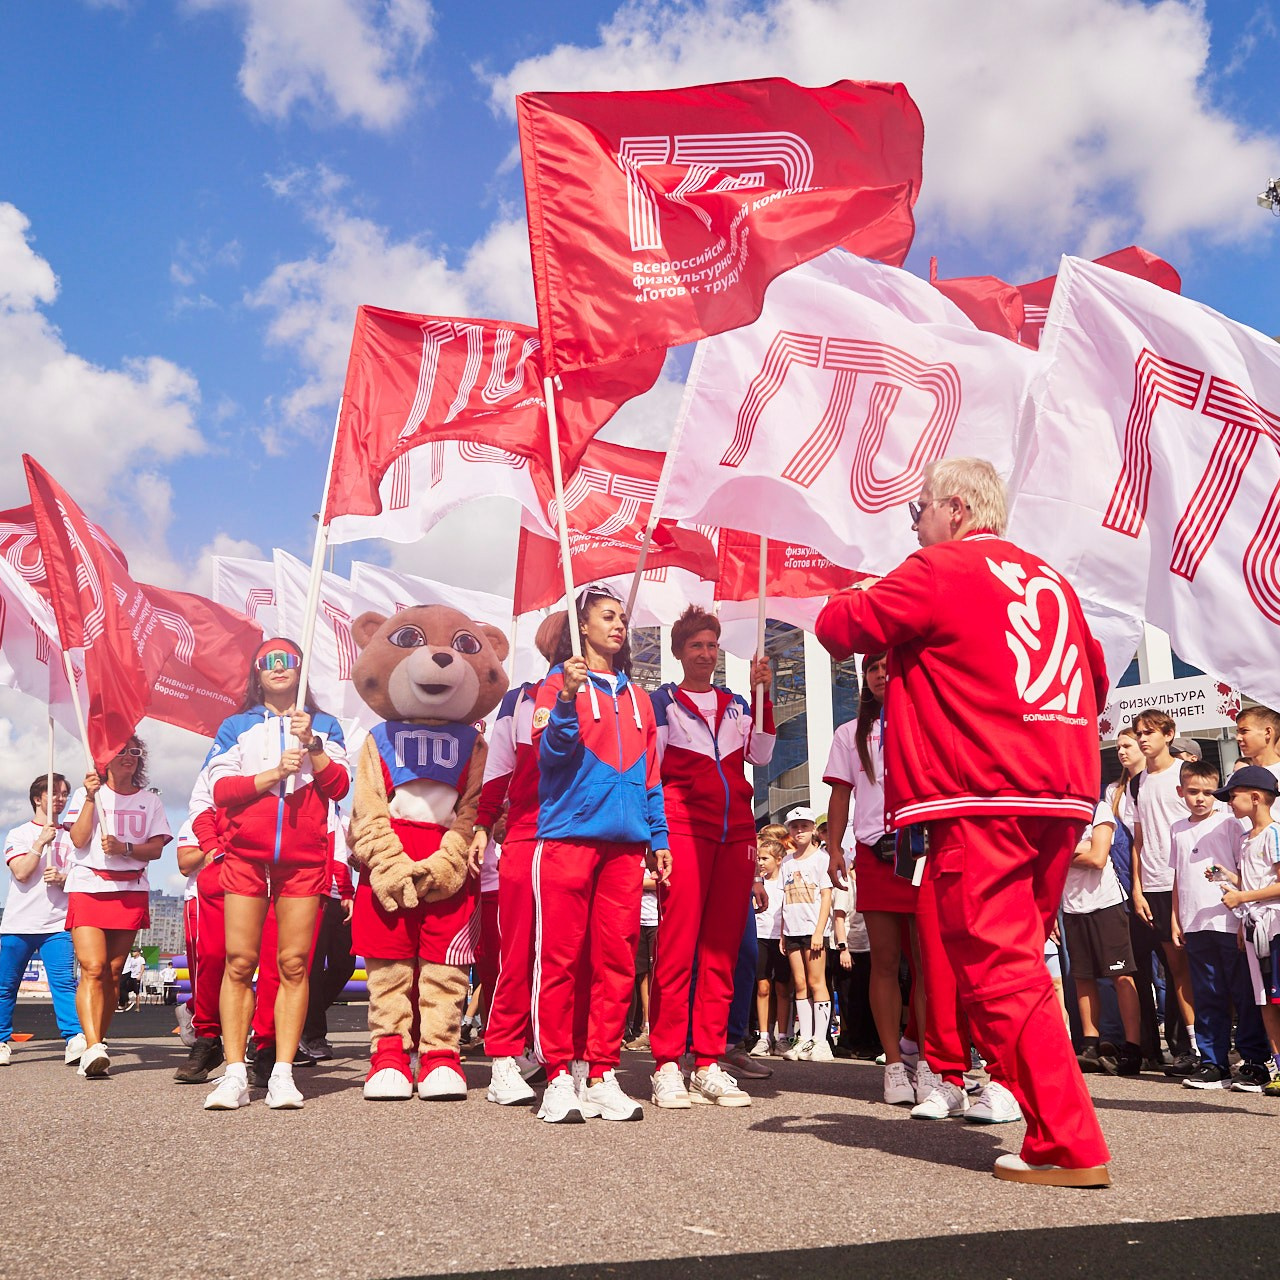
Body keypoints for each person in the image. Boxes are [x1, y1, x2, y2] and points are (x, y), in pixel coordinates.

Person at [816, 456, 1112, 1187]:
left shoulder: (939, 568)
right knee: (1018, 963)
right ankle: (1043, 1118)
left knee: (995, 965)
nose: (913, 525)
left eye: (916, 510)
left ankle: (1068, 1142)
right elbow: (1098, 676)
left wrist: (858, 590)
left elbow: (835, 627)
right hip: (1060, 789)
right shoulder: (1052, 582)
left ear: (953, 508)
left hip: (982, 791)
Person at [530, 585, 669, 1124]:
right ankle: (560, 1074)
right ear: (582, 627)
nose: (618, 625)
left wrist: (658, 839)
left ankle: (602, 1071)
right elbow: (551, 756)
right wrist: (566, 698)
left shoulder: (639, 697)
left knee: (617, 961)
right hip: (567, 837)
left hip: (625, 846)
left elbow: (651, 777)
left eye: (622, 618)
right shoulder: (556, 685)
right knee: (561, 958)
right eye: (607, 617)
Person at [201, 638, 349, 1111]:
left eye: (290, 661)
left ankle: (283, 1072)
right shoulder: (235, 726)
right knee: (240, 962)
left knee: (293, 964)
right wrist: (271, 774)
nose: (280, 668)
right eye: (270, 662)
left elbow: (341, 787)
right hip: (245, 856)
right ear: (257, 673)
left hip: (305, 859)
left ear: (302, 672)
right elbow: (220, 789)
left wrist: (314, 747)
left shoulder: (323, 725)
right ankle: (234, 1072)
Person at [647, 605, 774, 1109]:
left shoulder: (738, 702)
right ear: (679, 653)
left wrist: (763, 693)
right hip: (683, 829)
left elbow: (761, 755)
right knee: (677, 948)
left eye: (711, 645)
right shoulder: (661, 703)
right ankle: (665, 1065)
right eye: (696, 645)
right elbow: (650, 773)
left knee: (722, 950)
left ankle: (706, 1061)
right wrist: (655, 837)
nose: (706, 653)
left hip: (736, 832)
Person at [473, 613, 564, 1107]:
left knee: (567, 955)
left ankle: (559, 1054)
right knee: (518, 951)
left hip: (582, 839)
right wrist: (484, 826)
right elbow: (499, 771)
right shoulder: (523, 698)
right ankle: (506, 1056)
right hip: (529, 836)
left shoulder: (612, 696)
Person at [823, 653, 922, 1105]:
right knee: (884, 960)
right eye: (873, 668)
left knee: (928, 964)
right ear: (864, 678)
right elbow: (841, 793)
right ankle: (895, 1067)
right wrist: (835, 850)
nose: (881, 674)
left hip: (922, 849)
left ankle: (925, 1054)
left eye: (888, 666)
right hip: (875, 852)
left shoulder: (924, 719)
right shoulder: (850, 732)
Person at [64, 736, 171, 1077]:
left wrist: (125, 847)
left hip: (130, 889)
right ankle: (93, 1046)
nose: (128, 757)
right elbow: (78, 839)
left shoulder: (150, 801)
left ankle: (99, 1039)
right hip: (89, 886)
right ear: (104, 759)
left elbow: (155, 849)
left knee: (112, 972)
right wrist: (92, 798)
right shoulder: (87, 794)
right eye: (121, 751)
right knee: (92, 967)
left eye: (135, 752)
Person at [1170, 760, 1271, 1091]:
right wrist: (1176, 917)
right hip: (1194, 922)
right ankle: (1213, 1063)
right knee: (1207, 993)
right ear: (1181, 792)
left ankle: (1253, 1059)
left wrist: (1240, 910)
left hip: (1229, 922)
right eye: (1193, 792)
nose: (1201, 798)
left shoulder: (1229, 824)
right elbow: (1179, 876)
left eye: (1208, 792)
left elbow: (1240, 873)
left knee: (1242, 994)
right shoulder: (1177, 829)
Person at [1, 774, 84, 1067]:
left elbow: (82, 877)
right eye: (54, 793)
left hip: (56, 925)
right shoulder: (18, 834)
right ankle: (1, 1040)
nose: (60, 799)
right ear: (38, 798)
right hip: (18, 924)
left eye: (64, 794)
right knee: (6, 985)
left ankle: (75, 1038)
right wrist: (40, 843)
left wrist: (63, 879)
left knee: (64, 983)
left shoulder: (74, 837)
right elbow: (21, 872)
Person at [1130, 707, 1197, 1074]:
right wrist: (1137, 888)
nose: (1143, 738)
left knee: (1185, 968)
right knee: (1168, 969)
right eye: (1139, 732)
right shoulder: (1138, 783)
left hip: (1182, 884)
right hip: (1150, 886)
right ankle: (1180, 1047)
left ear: (1169, 734)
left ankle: (1199, 1047)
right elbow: (1138, 841)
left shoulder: (1183, 772)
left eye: (1150, 732)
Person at [1062, 799, 1143, 1077]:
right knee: (1082, 976)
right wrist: (1077, 850)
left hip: (1106, 902)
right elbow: (1043, 855)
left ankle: (1132, 1047)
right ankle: (1090, 1044)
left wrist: (1063, 854)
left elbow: (1097, 858)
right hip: (1071, 905)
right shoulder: (1057, 813)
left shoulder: (1099, 808)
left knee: (1121, 976)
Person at [1212, 766, 1280, 1094]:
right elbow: (1253, 881)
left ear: (1255, 798)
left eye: (1232, 796)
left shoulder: (1275, 834)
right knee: (1264, 999)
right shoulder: (1243, 838)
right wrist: (1229, 879)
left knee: (1277, 997)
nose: (1229, 802)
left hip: (1276, 928)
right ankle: (1278, 1068)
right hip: (1254, 930)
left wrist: (1242, 897)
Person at [300, 807, 357, 1062]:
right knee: (310, 968)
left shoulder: (344, 818)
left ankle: (299, 1018)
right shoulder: (309, 811)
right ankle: (313, 1035)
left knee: (345, 964)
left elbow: (352, 857)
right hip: (314, 893)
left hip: (342, 899)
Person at [778, 807, 834, 1063]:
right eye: (794, 826)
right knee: (799, 984)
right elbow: (783, 900)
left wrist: (820, 930)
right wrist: (782, 932)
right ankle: (805, 1037)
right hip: (792, 929)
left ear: (813, 828)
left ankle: (822, 1041)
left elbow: (826, 896)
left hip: (813, 929)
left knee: (817, 982)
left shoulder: (822, 858)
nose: (799, 831)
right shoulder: (787, 861)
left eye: (804, 826)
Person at [751, 836, 791, 1056]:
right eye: (758, 858)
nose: (761, 862)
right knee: (763, 987)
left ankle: (783, 1036)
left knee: (783, 988)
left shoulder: (785, 882)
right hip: (761, 937)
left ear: (778, 859)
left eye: (765, 858)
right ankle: (764, 1036)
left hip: (782, 938)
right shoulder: (757, 883)